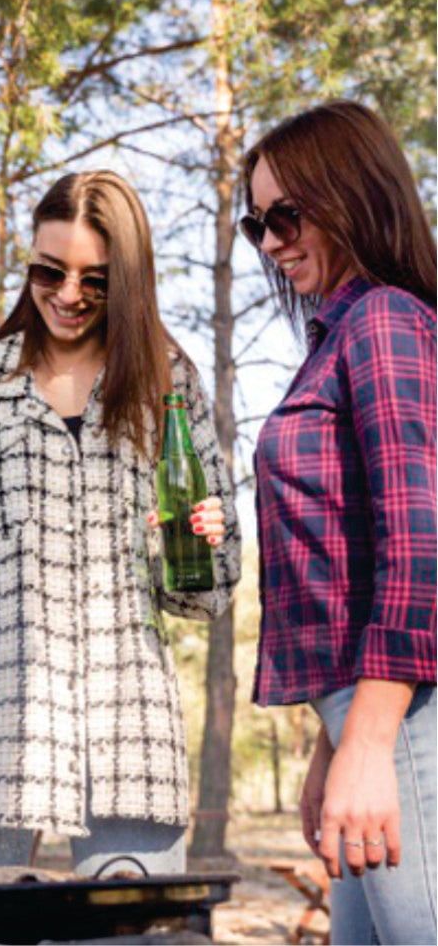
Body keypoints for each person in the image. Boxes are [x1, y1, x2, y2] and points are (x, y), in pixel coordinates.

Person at [0, 169, 241, 875]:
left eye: (95, 280)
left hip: (128, 733)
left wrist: (203, 541)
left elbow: (208, 591)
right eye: (49, 270)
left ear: (128, 282)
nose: (68, 295)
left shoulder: (167, 382)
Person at [243, 100, 436, 945]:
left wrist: (366, 742)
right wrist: (331, 747)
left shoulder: (385, 321)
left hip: (404, 719)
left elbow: (420, 540)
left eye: (286, 215)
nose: (272, 242)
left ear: (349, 194)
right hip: (365, 717)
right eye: (256, 225)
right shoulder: (337, 338)